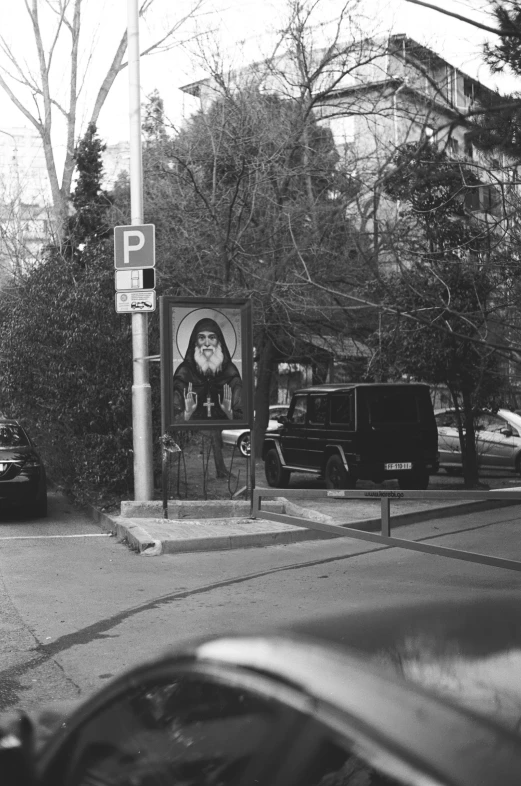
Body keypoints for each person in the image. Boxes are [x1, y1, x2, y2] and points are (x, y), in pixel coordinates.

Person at [172, 317, 243, 422]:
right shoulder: (183, 374)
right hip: (191, 434)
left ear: (219, 342)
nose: (207, 343)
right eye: (201, 338)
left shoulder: (231, 374)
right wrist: (187, 413)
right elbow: (173, 416)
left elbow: (242, 415)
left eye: (212, 337)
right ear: (195, 343)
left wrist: (229, 412)